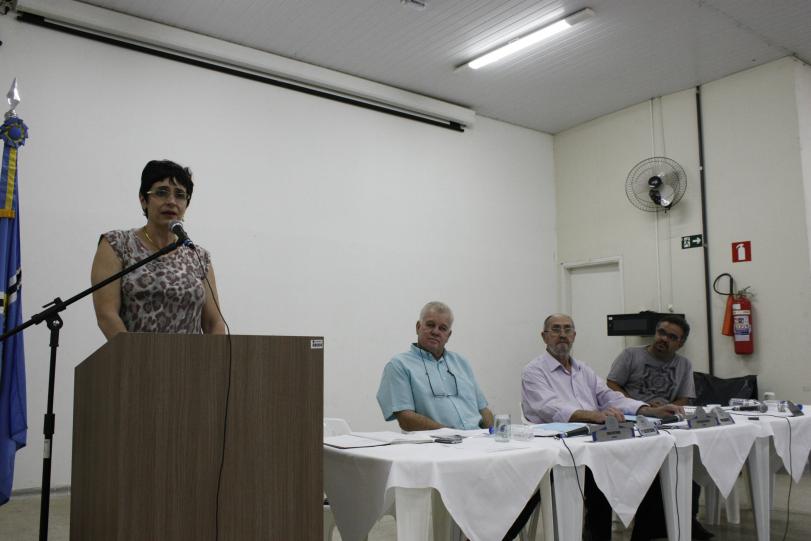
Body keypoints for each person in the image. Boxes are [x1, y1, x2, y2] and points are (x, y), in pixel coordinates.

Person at [521, 314, 683, 541]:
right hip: (560, 448)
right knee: (600, 475)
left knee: (651, 463)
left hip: (596, 441)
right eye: (556, 329)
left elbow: (610, 397)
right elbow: (549, 408)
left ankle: (645, 536)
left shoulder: (583, 370)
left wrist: (648, 410)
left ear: (574, 336)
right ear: (544, 336)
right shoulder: (534, 371)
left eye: (567, 329)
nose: (562, 335)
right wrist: (594, 416)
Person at [91, 159, 226, 339]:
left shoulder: (198, 255)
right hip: (134, 356)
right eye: (162, 192)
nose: (171, 201)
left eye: (180, 195)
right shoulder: (117, 244)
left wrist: (216, 355)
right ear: (143, 200)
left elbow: (213, 323)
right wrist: (136, 354)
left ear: (186, 204)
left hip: (191, 357)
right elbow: (107, 315)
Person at [607, 315, 713, 541]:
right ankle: (650, 528)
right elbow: (611, 385)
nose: (664, 339)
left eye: (672, 337)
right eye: (661, 333)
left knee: (687, 461)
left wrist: (668, 408)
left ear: (680, 343)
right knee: (653, 467)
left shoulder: (684, 364)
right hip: (633, 421)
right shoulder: (631, 355)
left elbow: (684, 398)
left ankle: (686, 520)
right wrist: (639, 406)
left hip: (666, 422)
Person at [376, 301, 493, 431]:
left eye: (442, 328)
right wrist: (452, 435)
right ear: (418, 327)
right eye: (430, 325)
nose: (436, 332)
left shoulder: (462, 363)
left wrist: (495, 433)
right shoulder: (399, 365)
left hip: (477, 438)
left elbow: (483, 410)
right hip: (436, 442)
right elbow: (406, 419)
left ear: (448, 335)